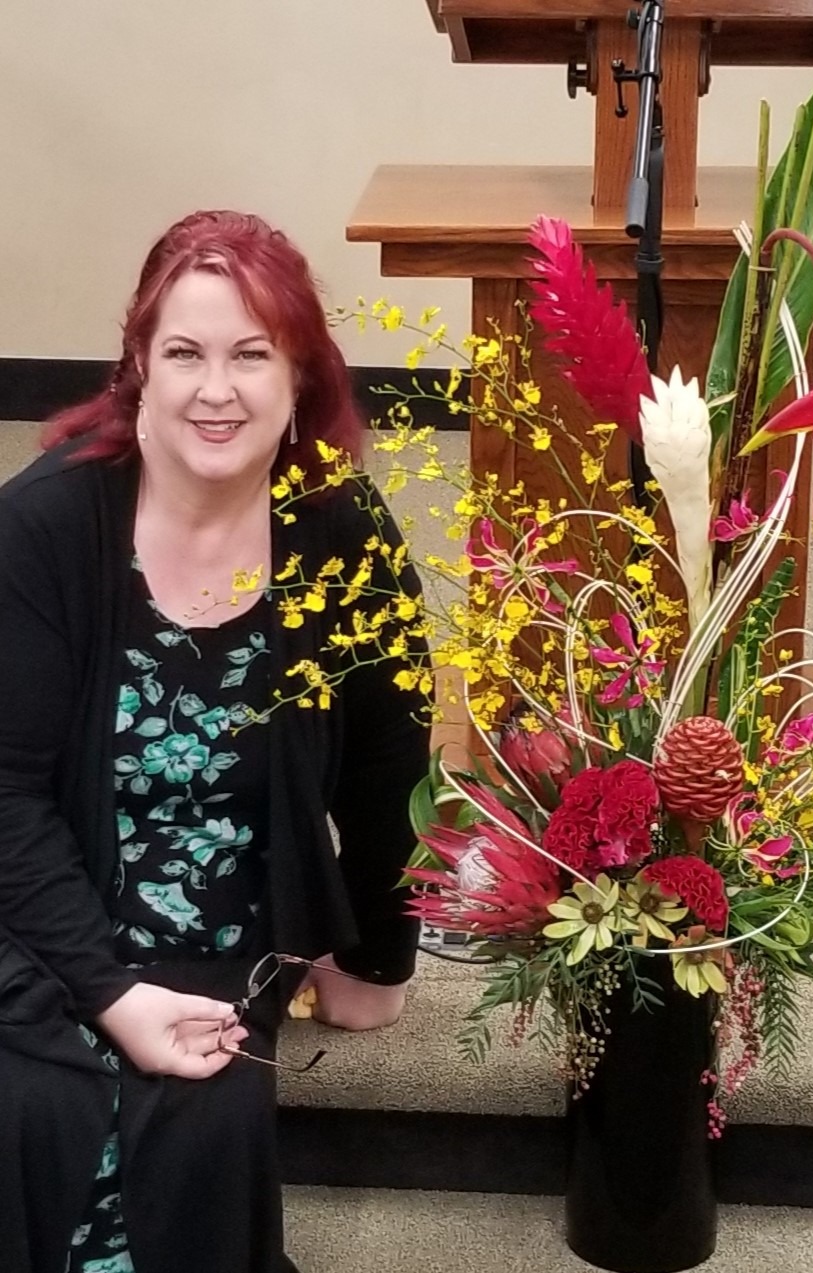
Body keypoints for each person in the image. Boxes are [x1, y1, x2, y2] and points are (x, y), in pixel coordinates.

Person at [0, 210, 431, 1273]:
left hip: (224, 910)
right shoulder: (46, 524)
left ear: (300, 381)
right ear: (137, 369)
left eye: (252, 355)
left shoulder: (343, 533)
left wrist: (375, 951)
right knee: (37, 1098)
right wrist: (109, 991)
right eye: (184, 353)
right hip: (39, 893)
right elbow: (5, 794)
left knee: (198, 1111)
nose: (215, 389)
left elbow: (391, 764)